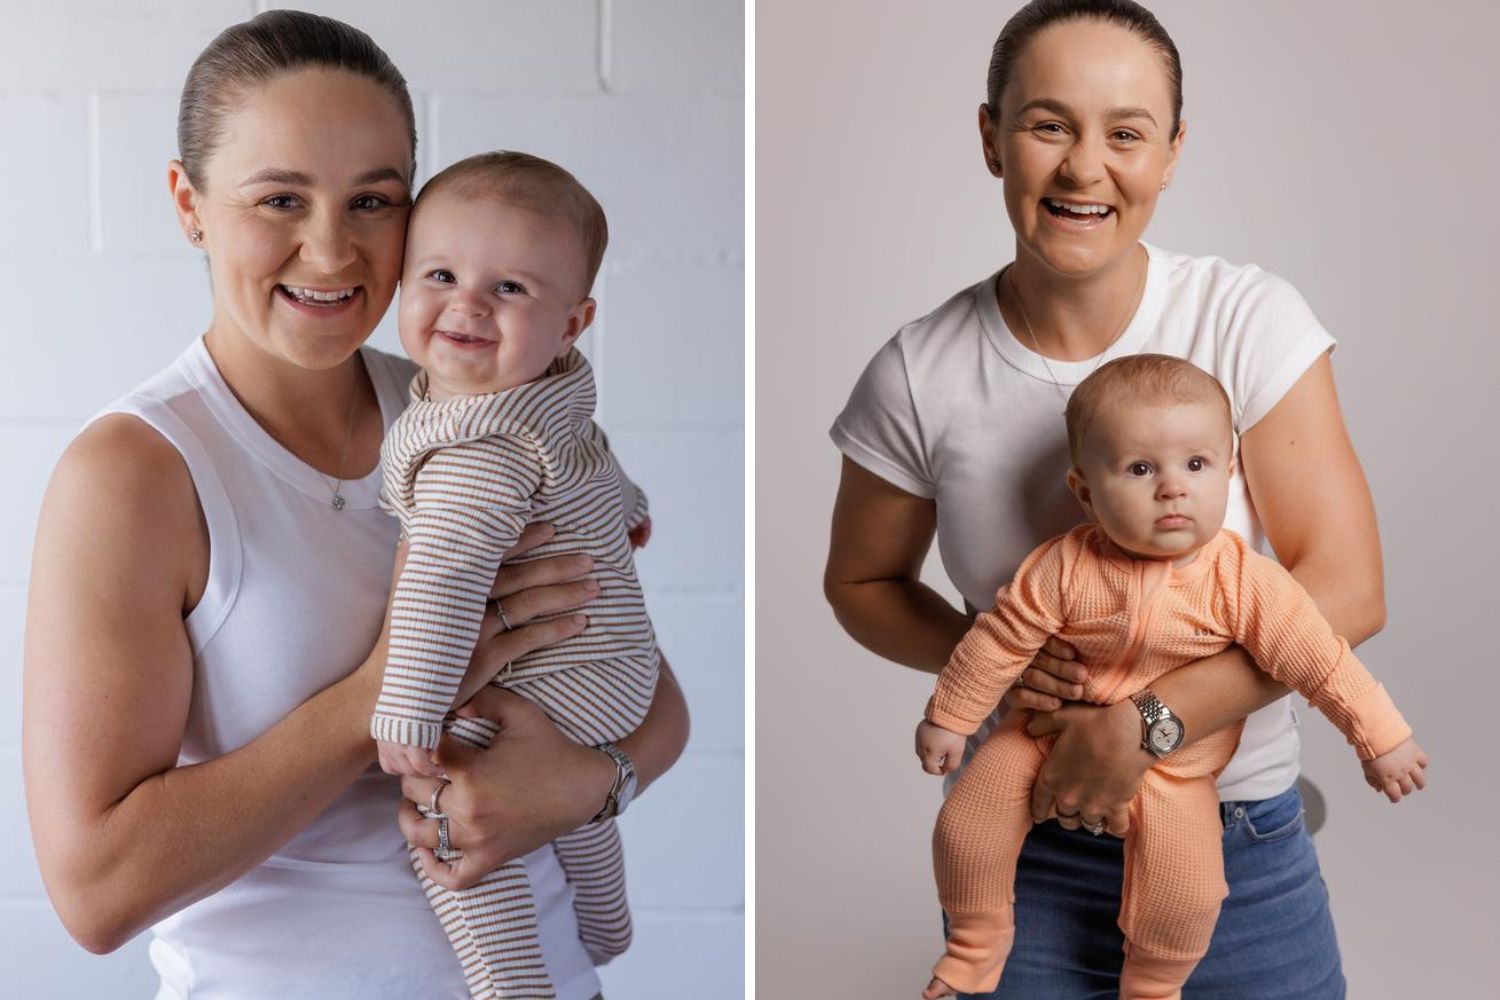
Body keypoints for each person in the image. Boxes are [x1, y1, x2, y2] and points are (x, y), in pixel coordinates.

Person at [21, 11, 687, 1000]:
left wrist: (592, 785)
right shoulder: (136, 474)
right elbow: (96, 893)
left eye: (371, 201)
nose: (332, 251)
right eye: (280, 199)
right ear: (189, 204)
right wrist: (380, 692)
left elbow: (652, 691)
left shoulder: (470, 407)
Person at [825, 1, 1383, 995]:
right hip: (1024, 842)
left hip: (1235, 836)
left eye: (1126, 133)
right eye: (1049, 125)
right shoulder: (920, 369)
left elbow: (1347, 589)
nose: (1086, 167)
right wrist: (996, 665)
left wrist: (1145, 723)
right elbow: (863, 582)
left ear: (1171, 153)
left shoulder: (1247, 319)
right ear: (991, 138)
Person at [913, 355, 1425, 999]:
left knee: (1189, 890)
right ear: (1085, 492)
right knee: (967, 824)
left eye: (1196, 464)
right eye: (1140, 469)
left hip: (1177, 765)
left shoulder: (1244, 582)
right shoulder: (1064, 567)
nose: (1172, 488)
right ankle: (976, 940)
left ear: (1228, 474)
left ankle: (1155, 984)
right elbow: (998, 641)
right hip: (1040, 736)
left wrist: (1381, 737)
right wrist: (950, 718)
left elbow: (1320, 659)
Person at [371, 150, 660, 997]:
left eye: (509, 288)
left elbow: (443, 577)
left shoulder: (478, 448)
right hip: (614, 672)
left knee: (450, 806)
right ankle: (606, 923)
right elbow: (594, 460)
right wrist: (630, 508)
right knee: (561, 782)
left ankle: (511, 983)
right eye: (441, 275)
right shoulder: (551, 399)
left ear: (573, 321)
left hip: (560, 677)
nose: (467, 304)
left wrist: (409, 704)